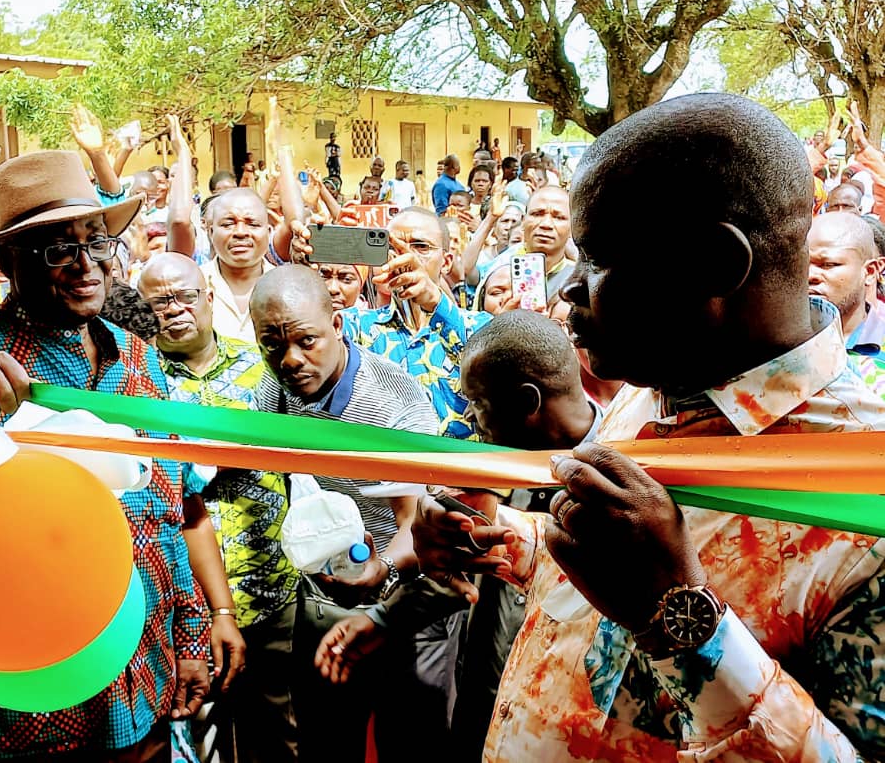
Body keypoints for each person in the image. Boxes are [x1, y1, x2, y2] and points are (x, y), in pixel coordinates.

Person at [412, 93, 885, 762]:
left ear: (716, 266)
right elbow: (608, 597)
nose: (568, 290)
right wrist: (503, 540)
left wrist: (680, 617)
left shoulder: (867, 505)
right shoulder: (653, 389)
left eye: (600, 261)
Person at [0, 150, 212, 762]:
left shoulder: (138, 358)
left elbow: (170, 508)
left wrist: (192, 632)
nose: (87, 266)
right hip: (23, 701)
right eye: (58, 249)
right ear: (10, 262)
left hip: (145, 680)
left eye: (97, 241)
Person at [315, 310, 602, 760]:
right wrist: (383, 617)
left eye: (480, 403)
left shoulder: (625, 488)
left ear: (527, 402)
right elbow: (458, 573)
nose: (470, 416)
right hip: (485, 713)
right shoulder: (492, 472)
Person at [250, 264, 463, 763]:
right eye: (272, 346)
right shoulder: (274, 391)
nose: (290, 360)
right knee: (327, 740)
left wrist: (381, 570)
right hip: (327, 597)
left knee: (413, 743)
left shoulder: (396, 399)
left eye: (307, 341)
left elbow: (417, 521)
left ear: (339, 324)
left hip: (411, 598)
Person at [137, 252, 297, 763]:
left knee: (282, 735)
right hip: (183, 605)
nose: (175, 309)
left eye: (185, 296)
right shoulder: (136, 386)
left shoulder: (266, 369)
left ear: (209, 296)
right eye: (160, 302)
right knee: (199, 743)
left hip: (273, 587)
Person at [339, 207, 491, 439]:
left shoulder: (481, 326)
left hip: (462, 471)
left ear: (447, 261)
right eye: (392, 247)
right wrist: (304, 269)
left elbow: (497, 381)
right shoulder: (357, 326)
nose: (404, 256)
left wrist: (435, 302)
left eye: (420, 247)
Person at [808, 212, 885, 398]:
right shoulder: (776, 342)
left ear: (869, 271)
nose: (810, 275)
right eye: (802, 264)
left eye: (828, 264)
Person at [202, 187, 273, 343]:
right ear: (211, 232)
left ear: (269, 232)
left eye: (252, 224)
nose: (240, 232)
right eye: (228, 224)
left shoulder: (286, 286)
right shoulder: (193, 287)